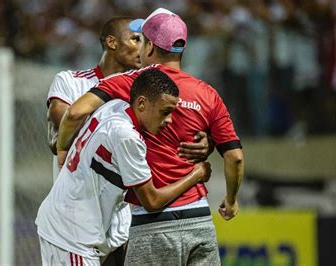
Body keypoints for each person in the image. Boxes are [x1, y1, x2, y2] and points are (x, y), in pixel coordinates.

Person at [57, 8, 244, 265]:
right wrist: (231, 201)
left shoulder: (133, 83)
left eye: (141, 41)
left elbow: (76, 112)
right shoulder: (208, 94)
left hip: (153, 224)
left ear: (151, 47)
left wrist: (63, 149)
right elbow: (234, 157)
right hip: (200, 220)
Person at [35, 69, 212, 266]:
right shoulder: (126, 137)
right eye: (165, 112)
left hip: (67, 227)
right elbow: (152, 201)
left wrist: (62, 148)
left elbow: (75, 114)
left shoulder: (113, 107)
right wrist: (197, 174)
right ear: (142, 103)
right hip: (72, 236)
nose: (169, 120)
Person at [46, 16, 142, 181]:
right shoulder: (70, 81)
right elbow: (58, 139)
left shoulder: (143, 93)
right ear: (112, 42)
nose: (143, 48)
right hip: (74, 202)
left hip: (123, 204)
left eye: (145, 42)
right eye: (135, 39)